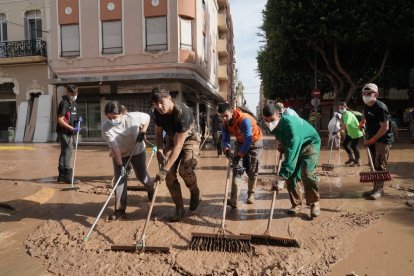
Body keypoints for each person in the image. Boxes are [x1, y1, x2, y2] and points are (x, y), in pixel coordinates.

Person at [262, 104, 321, 218]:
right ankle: (296, 204)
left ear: (279, 115)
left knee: (306, 173)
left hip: (310, 144)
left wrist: (280, 178)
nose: (269, 123)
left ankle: (314, 203)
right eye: (266, 120)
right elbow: (282, 138)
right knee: (292, 176)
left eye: (272, 120)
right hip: (294, 144)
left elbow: (291, 156)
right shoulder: (274, 125)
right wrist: (281, 144)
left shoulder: (290, 126)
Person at [151, 87, 201, 222]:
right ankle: (179, 209)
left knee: (185, 169)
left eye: (162, 102)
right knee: (169, 176)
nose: (159, 106)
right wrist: (160, 151)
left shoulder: (181, 112)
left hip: (189, 139)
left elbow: (179, 146)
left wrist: (164, 169)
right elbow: (158, 133)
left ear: (169, 99)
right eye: (156, 104)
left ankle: (194, 191)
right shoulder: (156, 113)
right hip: (172, 138)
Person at [102, 101, 155, 220]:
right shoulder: (106, 127)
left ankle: (151, 189)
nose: (112, 120)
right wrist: (120, 165)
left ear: (122, 113)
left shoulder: (133, 117)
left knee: (142, 176)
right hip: (120, 154)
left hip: (137, 150)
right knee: (119, 180)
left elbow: (147, 118)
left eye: (114, 117)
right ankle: (120, 210)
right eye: (109, 118)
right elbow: (114, 147)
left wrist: (143, 131)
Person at [218, 102, 263, 207]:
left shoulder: (244, 120)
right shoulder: (224, 123)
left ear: (232, 112)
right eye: (221, 116)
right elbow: (225, 139)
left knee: (252, 170)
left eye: (226, 116)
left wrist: (239, 155)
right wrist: (227, 150)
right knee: (237, 170)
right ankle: (234, 200)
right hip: (239, 142)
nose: (224, 118)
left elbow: (248, 139)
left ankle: (251, 195)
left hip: (254, 143)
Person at [359, 83, 394, 200]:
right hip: (371, 137)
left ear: (376, 94)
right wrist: (362, 122)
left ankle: (379, 190)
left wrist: (372, 140)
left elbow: (385, 127)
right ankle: (374, 188)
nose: (366, 95)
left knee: (380, 165)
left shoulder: (381, 107)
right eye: (364, 93)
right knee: (373, 164)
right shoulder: (366, 105)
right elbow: (365, 112)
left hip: (382, 139)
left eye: (369, 93)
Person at [56, 85, 81, 184]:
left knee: (65, 151)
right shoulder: (64, 103)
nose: (74, 96)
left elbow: (73, 117)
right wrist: (72, 128)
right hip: (63, 131)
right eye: (72, 94)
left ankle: (61, 176)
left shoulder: (74, 103)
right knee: (68, 150)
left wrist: (78, 121)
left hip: (70, 131)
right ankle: (67, 176)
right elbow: (60, 120)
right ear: (68, 93)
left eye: (76, 94)